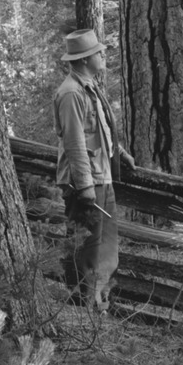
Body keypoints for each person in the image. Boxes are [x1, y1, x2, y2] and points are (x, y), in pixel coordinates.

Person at [52, 26, 134, 309]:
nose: (102, 55)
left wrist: (120, 153)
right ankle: (83, 305)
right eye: (98, 52)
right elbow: (75, 143)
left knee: (106, 244)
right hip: (87, 181)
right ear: (86, 59)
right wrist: (85, 185)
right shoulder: (71, 93)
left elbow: (98, 129)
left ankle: (99, 301)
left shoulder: (90, 87)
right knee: (88, 245)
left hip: (101, 174)